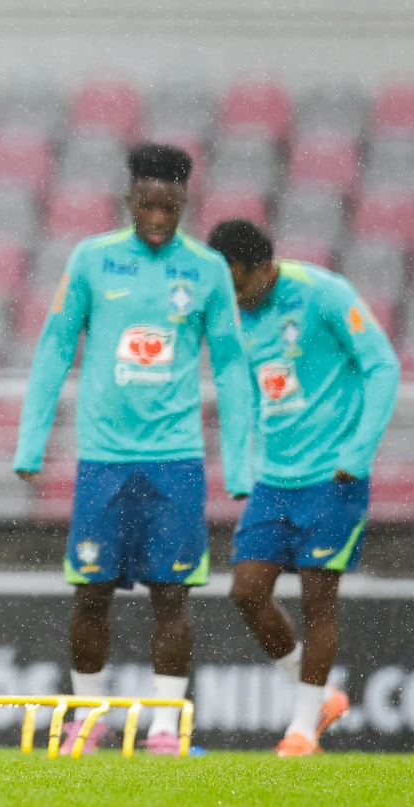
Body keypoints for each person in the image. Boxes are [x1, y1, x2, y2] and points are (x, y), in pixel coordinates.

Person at [13, 143, 253, 755]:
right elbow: (55, 347)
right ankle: (88, 722)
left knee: (172, 595)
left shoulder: (205, 270)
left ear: (183, 204)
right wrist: (31, 442)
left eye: (168, 207)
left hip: (175, 460)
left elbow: (229, 365)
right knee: (90, 592)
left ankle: (166, 730)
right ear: (130, 200)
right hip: (104, 459)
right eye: (147, 204)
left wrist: (242, 460)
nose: (157, 217)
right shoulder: (93, 260)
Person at [207, 219, 399, 757]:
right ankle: (319, 698)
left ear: (265, 267)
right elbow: (244, 389)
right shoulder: (233, 313)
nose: (235, 298)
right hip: (275, 479)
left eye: (240, 285)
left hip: (333, 477)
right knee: (246, 591)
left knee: (318, 602)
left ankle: (300, 732)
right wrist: (242, 465)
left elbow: (382, 366)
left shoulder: (323, 294)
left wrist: (357, 453)